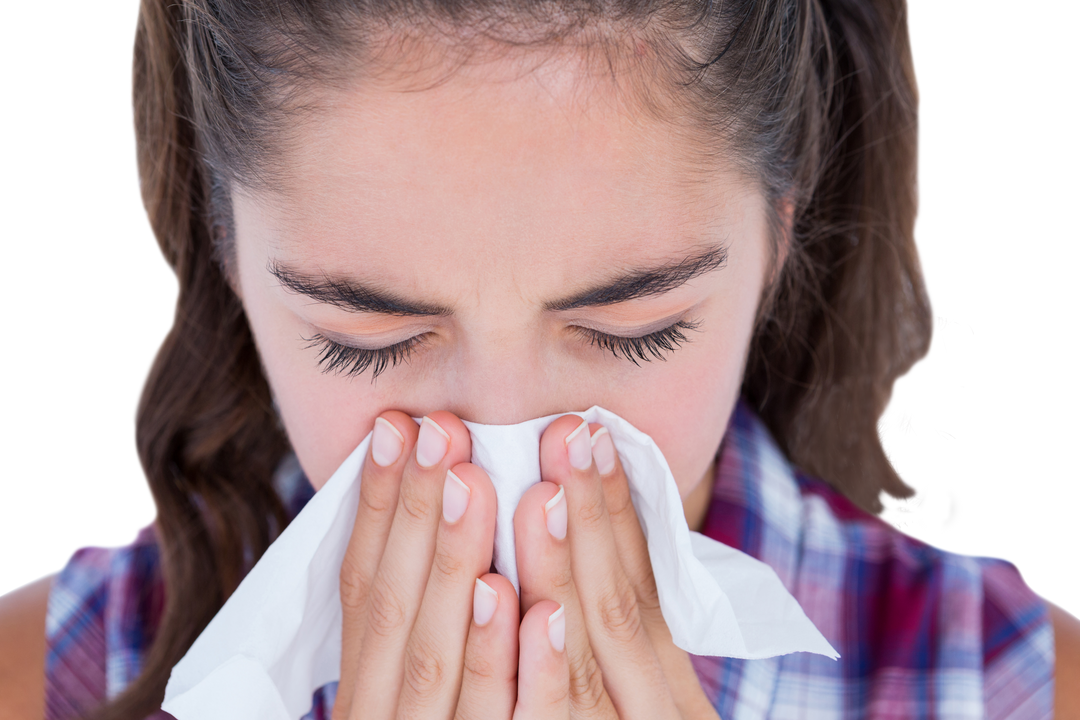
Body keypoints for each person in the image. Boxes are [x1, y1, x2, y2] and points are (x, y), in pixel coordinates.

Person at [1, 0, 1076, 717]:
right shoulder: (53, 675)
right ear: (230, 257)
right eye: (366, 340)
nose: (507, 449)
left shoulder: (1006, 683)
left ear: (778, 237)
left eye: (633, 330)